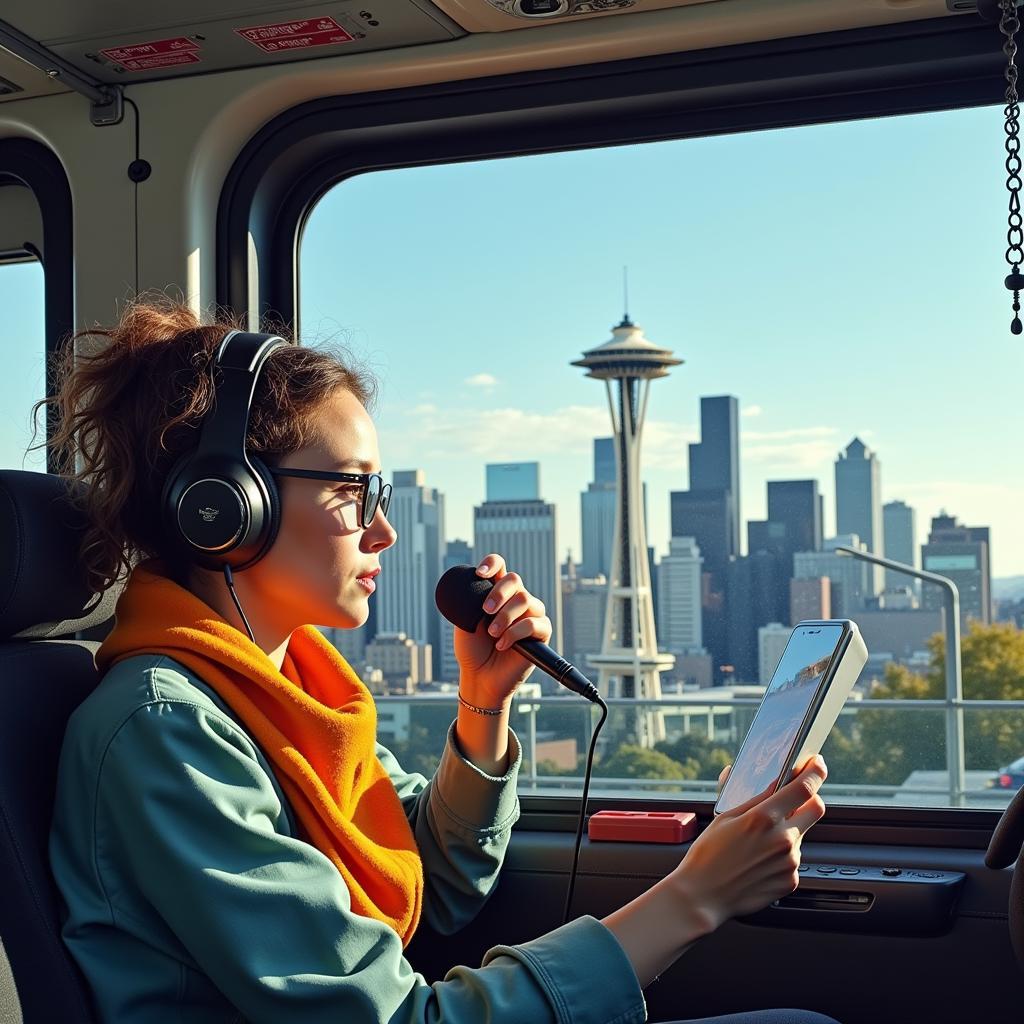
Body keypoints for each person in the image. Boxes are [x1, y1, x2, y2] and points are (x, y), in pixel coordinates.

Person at [43, 300, 837, 1024]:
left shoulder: (297, 689)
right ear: (221, 506)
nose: (382, 531)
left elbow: (434, 881)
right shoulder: (166, 733)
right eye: (354, 493)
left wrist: (482, 705)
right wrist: (694, 897)